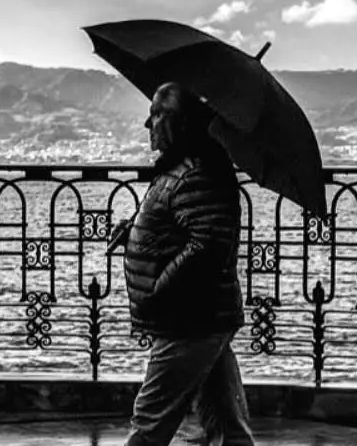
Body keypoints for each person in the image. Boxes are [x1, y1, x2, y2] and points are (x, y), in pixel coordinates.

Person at [113, 81, 254, 446]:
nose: (149, 124)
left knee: (149, 422)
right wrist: (136, 230)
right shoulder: (186, 168)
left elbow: (208, 244)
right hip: (203, 316)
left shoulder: (196, 172)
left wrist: (161, 286)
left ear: (181, 122)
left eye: (158, 113)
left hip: (189, 319)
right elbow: (181, 224)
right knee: (226, 422)